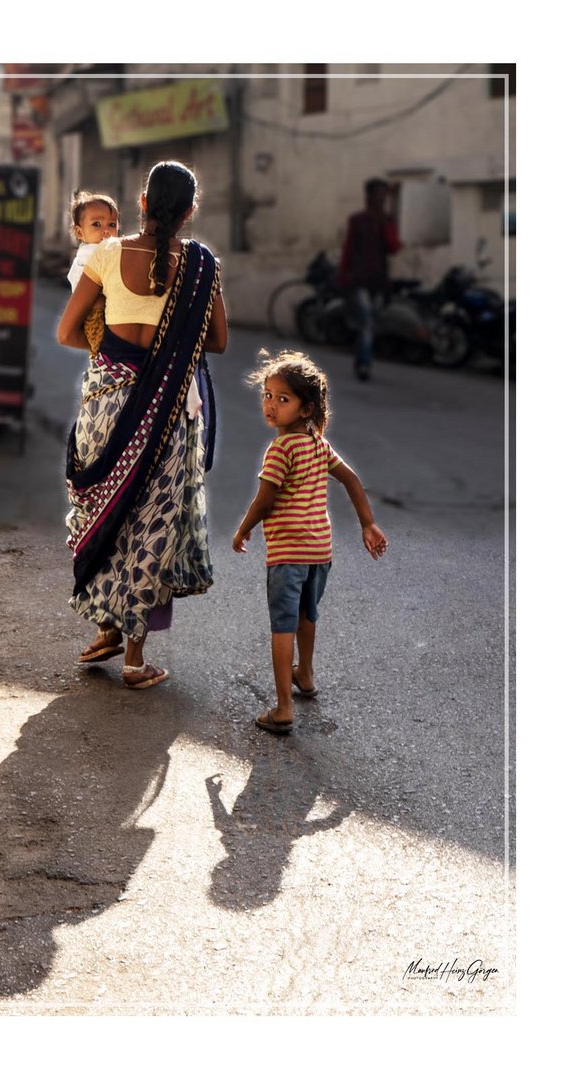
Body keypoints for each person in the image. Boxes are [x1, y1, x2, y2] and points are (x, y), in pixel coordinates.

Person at [57, 160, 228, 690]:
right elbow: (218, 342)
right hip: (165, 411)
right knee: (150, 527)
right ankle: (132, 658)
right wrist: (165, 353)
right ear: (190, 211)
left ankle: (106, 624)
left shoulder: (106, 253)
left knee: (107, 512)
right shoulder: (202, 266)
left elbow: (67, 332)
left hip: (105, 405)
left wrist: (116, 358)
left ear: (143, 204)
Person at [232, 350, 388, 734]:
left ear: (306, 408)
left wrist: (243, 528)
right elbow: (351, 479)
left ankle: (283, 708)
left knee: (282, 625)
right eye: (267, 395)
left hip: (287, 554)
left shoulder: (281, 449)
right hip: (320, 550)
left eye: (282, 399)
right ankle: (307, 674)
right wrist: (367, 523)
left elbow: (265, 500)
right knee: (307, 615)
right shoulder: (317, 443)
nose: (270, 404)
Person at [338, 177, 401, 381]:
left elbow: (393, 248)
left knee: (371, 322)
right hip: (359, 278)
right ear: (370, 195)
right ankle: (364, 364)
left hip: (378, 280)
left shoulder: (386, 220)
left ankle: (362, 358)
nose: (382, 197)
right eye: (379, 193)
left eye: (384, 194)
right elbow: (348, 249)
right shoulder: (357, 220)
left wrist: (387, 225)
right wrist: (343, 274)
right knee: (367, 321)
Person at [66, 191, 119, 357]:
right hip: (94, 315)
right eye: (97, 224)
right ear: (80, 233)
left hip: (107, 312)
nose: (106, 231)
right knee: (106, 349)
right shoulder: (90, 253)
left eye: (112, 225)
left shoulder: (106, 249)